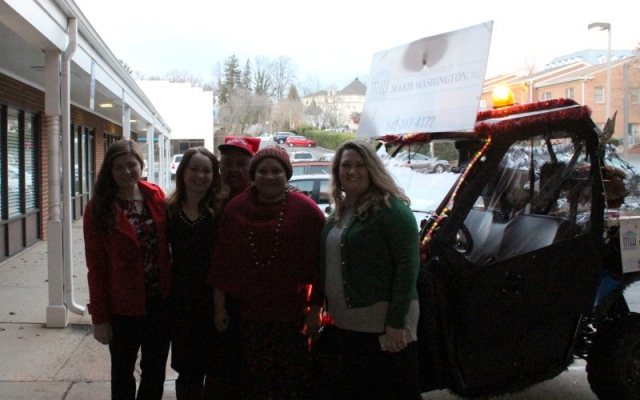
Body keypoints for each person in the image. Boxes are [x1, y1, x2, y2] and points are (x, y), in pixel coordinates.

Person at [209, 145, 326, 399]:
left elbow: (320, 265)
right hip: (247, 317)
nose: (269, 176)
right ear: (253, 175)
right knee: (254, 383)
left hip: (293, 317)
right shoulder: (235, 209)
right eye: (262, 171)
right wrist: (219, 307)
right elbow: (222, 262)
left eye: (276, 171)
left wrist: (316, 309)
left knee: (291, 384)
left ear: (287, 175)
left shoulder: (307, 211)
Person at [320, 139, 421, 400]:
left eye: (360, 165)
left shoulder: (392, 210)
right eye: (345, 165)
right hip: (348, 324)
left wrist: (396, 323)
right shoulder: (340, 212)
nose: (352, 171)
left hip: (384, 325)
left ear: (372, 169)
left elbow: (408, 268)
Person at [83, 139, 172, 400]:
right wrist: (100, 318)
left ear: (141, 165)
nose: (126, 172)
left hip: (159, 302)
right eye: (118, 167)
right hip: (122, 307)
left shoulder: (155, 196)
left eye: (131, 165)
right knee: (122, 372)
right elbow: (96, 267)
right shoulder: (98, 208)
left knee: (155, 370)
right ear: (109, 170)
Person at [166, 147, 228, 399]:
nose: (200, 176)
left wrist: (220, 305)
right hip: (180, 301)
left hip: (215, 298)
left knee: (216, 369)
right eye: (194, 169)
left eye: (206, 171)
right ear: (183, 172)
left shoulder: (222, 210)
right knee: (187, 370)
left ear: (214, 175)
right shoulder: (169, 209)